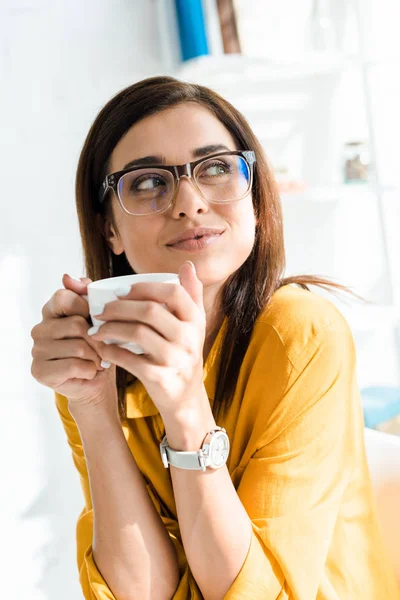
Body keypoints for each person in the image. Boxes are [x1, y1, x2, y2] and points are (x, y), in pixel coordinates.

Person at [30, 76, 399, 600]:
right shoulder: (98, 360)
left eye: (216, 168)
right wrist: (91, 406)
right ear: (108, 227)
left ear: (255, 195)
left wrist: (185, 406)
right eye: (148, 182)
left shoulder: (302, 335)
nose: (189, 202)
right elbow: (139, 593)